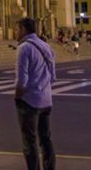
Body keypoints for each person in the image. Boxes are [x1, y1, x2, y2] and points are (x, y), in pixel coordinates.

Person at [13, 17, 56, 170]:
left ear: (23, 29)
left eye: (17, 29)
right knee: (46, 140)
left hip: (29, 101)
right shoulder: (46, 46)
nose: (15, 32)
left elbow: (22, 80)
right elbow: (53, 77)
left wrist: (17, 96)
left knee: (29, 142)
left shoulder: (24, 48)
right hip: (46, 101)